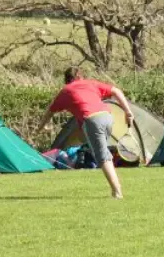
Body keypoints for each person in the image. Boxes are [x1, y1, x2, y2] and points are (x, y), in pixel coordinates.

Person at [39, 67, 134, 198]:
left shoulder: (66, 91)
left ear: (66, 80)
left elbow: (50, 112)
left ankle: (117, 192)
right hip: (107, 117)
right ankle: (115, 186)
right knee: (101, 152)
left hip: (91, 120)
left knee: (102, 156)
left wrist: (41, 127)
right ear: (80, 76)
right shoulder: (91, 83)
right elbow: (116, 91)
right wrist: (128, 111)